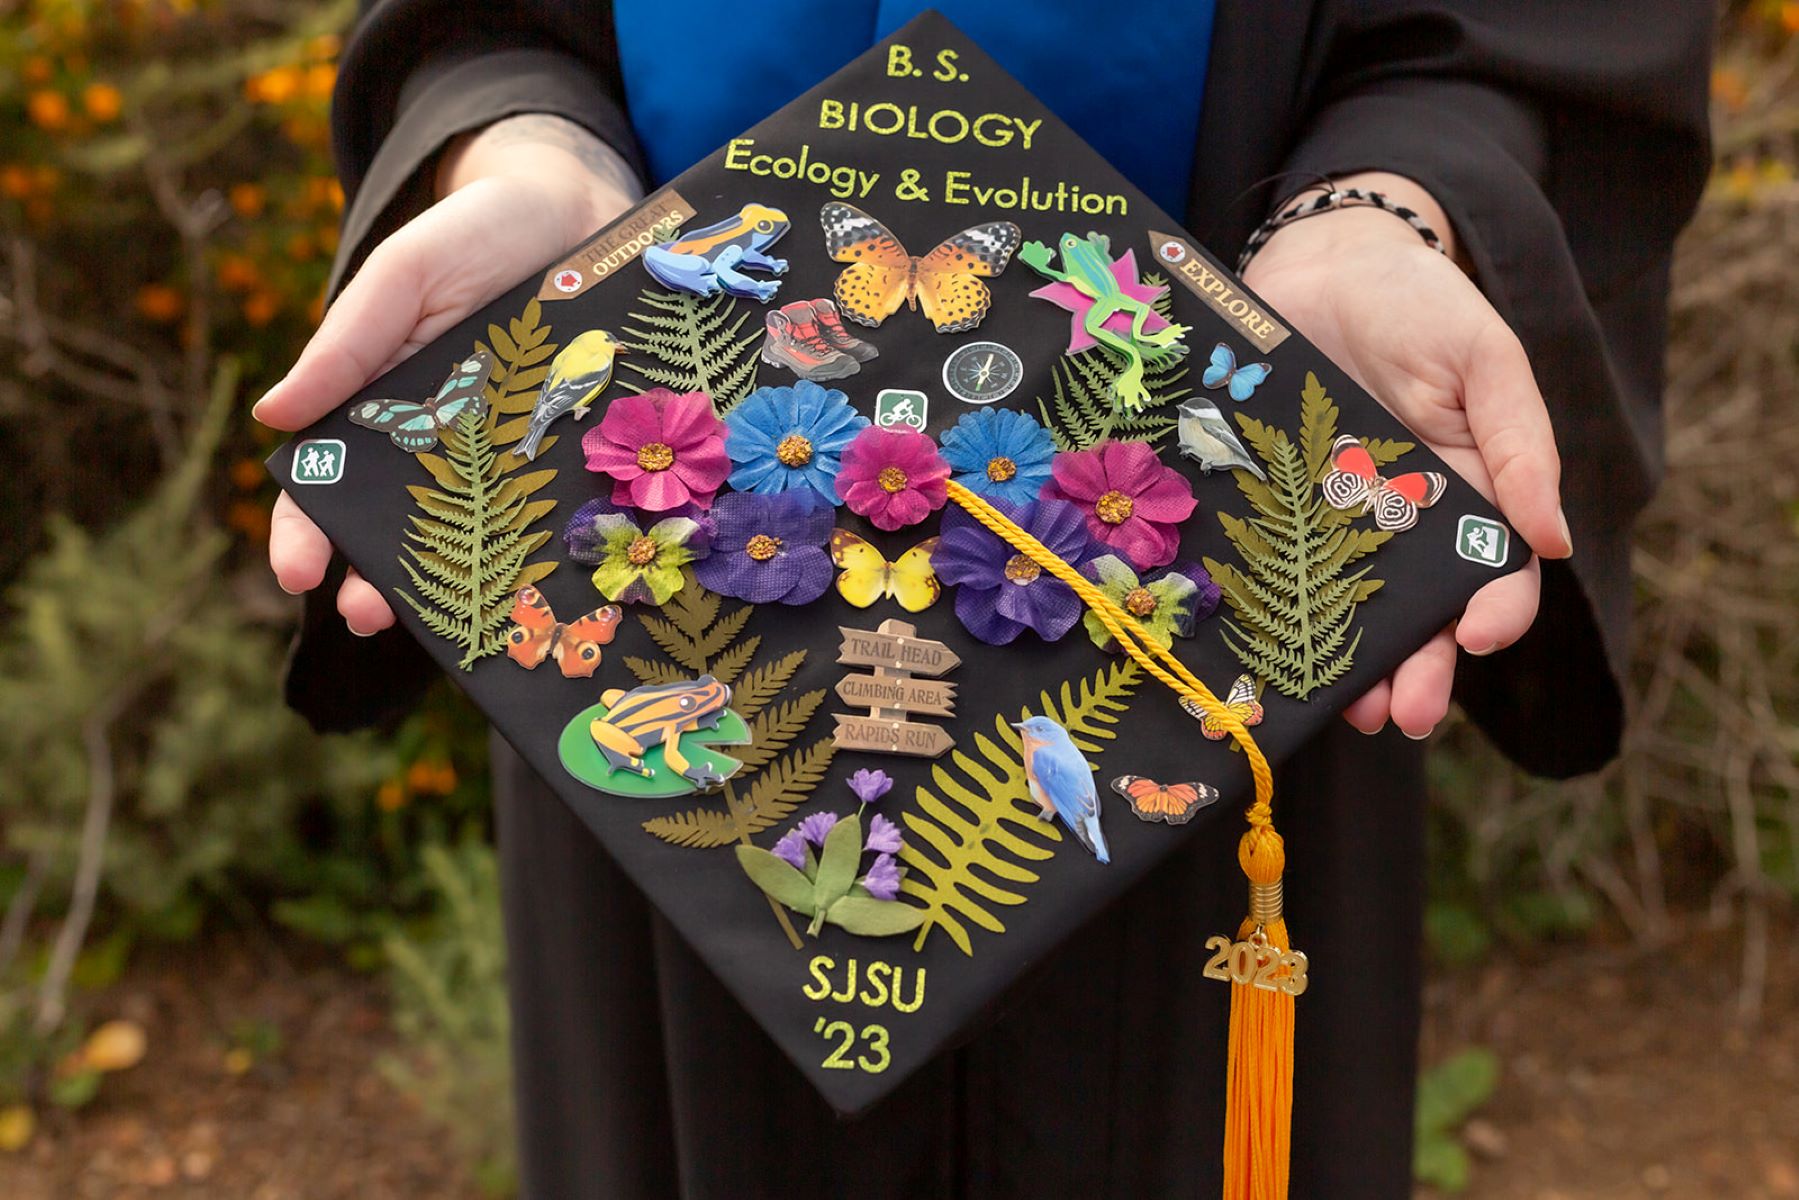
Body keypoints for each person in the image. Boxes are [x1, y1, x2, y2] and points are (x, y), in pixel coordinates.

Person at [255, 4, 1713, 1196]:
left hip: (1199, 580)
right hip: (666, 549)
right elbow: (485, 24)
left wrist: (1384, 207)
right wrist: (528, 149)